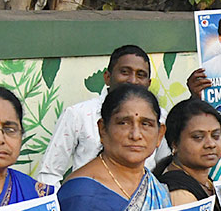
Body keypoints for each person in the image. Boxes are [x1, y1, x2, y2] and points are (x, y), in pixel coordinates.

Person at [38, 45, 155, 186]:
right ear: (107, 77)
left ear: (148, 83)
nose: (132, 80)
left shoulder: (159, 118)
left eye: (140, 75)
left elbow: (164, 166)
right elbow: (49, 173)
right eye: (125, 72)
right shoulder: (78, 114)